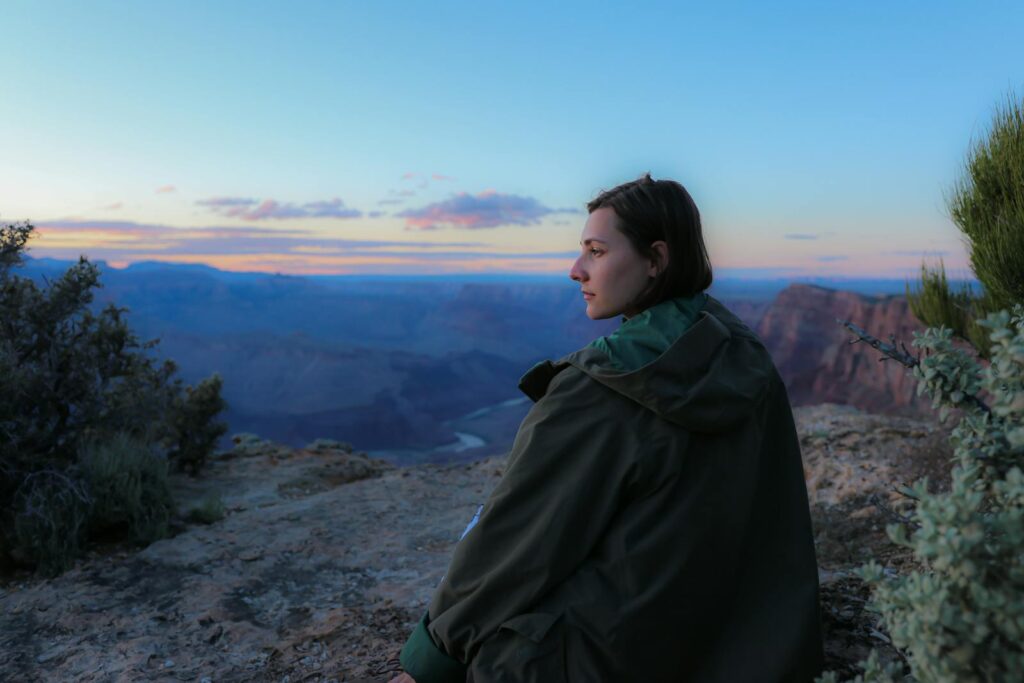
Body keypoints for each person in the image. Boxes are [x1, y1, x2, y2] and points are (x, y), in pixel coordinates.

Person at [390, 174, 824, 682]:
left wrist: (430, 661)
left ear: (656, 260)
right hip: (750, 649)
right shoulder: (742, 355)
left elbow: (516, 546)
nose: (576, 270)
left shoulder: (601, 388)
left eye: (596, 251)